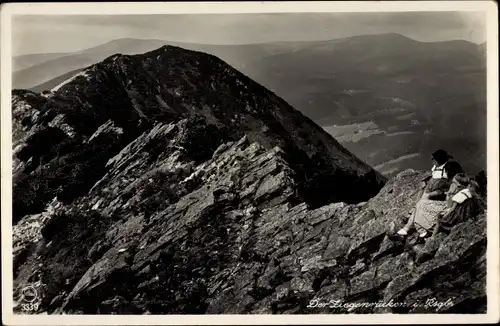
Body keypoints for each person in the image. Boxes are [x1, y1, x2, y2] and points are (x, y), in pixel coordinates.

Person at [392, 149, 458, 240]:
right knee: (421, 194)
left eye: (434, 160)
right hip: (435, 192)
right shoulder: (440, 168)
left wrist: (430, 193)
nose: (433, 162)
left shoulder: (447, 172)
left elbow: (444, 189)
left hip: (440, 197)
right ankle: (416, 228)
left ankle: (410, 227)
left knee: (420, 203)